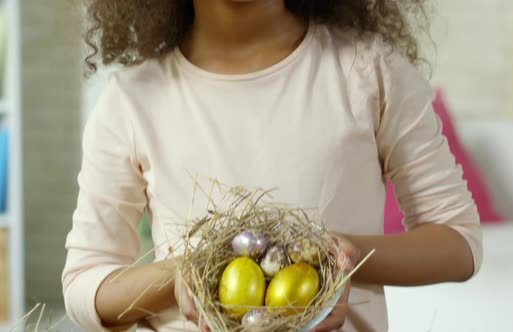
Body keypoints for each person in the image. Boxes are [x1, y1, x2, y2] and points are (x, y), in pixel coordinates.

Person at [62, 0, 482, 331]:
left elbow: (459, 242)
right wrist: (180, 275)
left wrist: (343, 258)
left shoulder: (369, 71)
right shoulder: (132, 100)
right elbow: (84, 284)